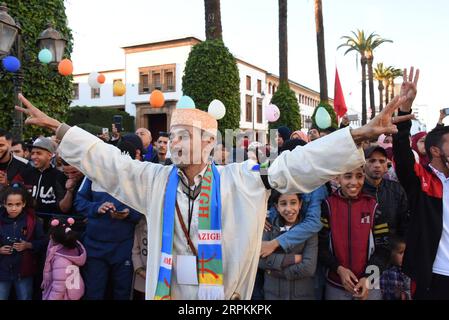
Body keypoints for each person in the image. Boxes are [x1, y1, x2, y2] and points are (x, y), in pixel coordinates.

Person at [15, 89, 409, 300]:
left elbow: (294, 167)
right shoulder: (154, 179)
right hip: (168, 292)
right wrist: (64, 131)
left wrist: (357, 134)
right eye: (174, 136)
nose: (176, 143)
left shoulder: (244, 178)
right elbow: (112, 165)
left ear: (209, 143)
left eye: (187, 136)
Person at [393, 68, 449, 300]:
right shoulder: (421, 181)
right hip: (433, 277)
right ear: (435, 151)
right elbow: (402, 152)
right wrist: (405, 108)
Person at [73, 140, 143, 300]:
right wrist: (96, 208)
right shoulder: (93, 173)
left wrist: (129, 213)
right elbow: (79, 202)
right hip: (95, 246)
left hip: (124, 246)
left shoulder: (137, 177)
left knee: (122, 293)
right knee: (94, 293)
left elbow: (144, 210)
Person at [319, 167, 390, 300]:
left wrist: (368, 278)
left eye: (359, 176)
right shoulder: (327, 206)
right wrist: (339, 269)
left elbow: (384, 249)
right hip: (336, 285)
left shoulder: (374, 206)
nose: (354, 182)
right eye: (347, 176)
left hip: (370, 286)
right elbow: (320, 247)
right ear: (337, 178)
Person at [258, 191, 317, 300]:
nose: (288, 209)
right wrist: (292, 259)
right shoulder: (268, 227)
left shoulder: (309, 230)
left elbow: (309, 268)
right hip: (273, 294)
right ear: (276, 207)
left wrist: (275, 271)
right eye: (283, 204)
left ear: (300, 205)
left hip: (302, 295)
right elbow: (260, 261)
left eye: (293, 203)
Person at [0, 184, 45, 300]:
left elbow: (43, 242)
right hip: (2, 271)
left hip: (24, 271)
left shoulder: (33, 221)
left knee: (25, 297)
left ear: (24, 204)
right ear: (4, 204)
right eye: (10, 204)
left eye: (17, 204)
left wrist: (28, 245)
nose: (13, 208)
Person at [363, 146, 410, 237]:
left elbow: (405, 221)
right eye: (372, 161)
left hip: (392, 247)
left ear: (386, 166)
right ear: (363, 164)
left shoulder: (396, 189)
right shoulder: (355, 190)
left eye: (382, 161)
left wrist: (401, 243)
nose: (377, 165)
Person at [41, 217, 86, 300]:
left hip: (64, 296)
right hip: (71, 293)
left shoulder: (61, 261)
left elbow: (58, 289)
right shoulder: (71, 249)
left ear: (52, 237)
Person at [22, 137, 67, 217]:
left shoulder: (60, 176)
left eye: (38, 153)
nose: (34, 157)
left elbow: (63, 205)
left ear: (49, 155)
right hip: (27, 220)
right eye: (32, 153)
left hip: (51, 223)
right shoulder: (26, 173)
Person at [131, 215, 148, 300]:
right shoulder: (140, 225)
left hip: (162, 279)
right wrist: (140, 270)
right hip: (142, 277)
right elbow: (135, 251)